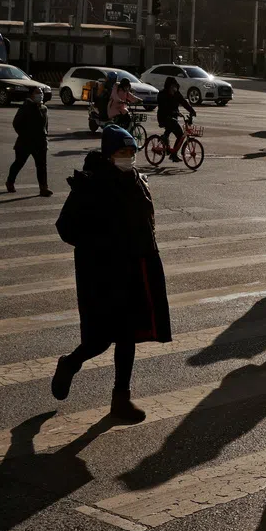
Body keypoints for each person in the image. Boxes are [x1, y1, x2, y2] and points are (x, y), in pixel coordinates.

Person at [50, 125, 171, 422]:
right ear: (108, 155)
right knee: (99, 340)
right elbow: (66, 228)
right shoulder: (90, 185)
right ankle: (70, 363)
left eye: (131, 152)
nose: (127, 157)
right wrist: (99, 245)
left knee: (127, 337)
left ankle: (120, 400)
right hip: (103, 276)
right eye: (121, 152)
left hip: (134, 271)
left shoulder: (137, 179)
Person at [6, 85, 51, 196]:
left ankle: (43, 188)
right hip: (25, 142)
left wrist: (45, 138)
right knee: (19, 163)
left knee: (42, 166)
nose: (40, 95)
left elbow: (45, 126)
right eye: (37, 92)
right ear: (31, 95)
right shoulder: (25, 108)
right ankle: (10, 182)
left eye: (41, 92)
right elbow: (16, 124)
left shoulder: (43, 108)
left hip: (40, 143)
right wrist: (25, 135)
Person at [157, 76, 196, 162]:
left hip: (173, 118)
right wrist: (174, 112)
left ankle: (170, 148)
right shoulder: (162, 94)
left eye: (174, 86)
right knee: (178, 131)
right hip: (164, 117)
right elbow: (163, 107)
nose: (173, 88)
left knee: (178, 133)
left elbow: (184, 102)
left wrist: (192, 111)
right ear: (168, 86)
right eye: (172, 86)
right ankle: (172, 153)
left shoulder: (176, 94)